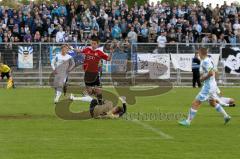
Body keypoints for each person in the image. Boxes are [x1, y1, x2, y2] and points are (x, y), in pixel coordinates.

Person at [178, 48, 231, 126]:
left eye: (198, 53)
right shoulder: (210, 60)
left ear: (201, 53)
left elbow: (211, 73)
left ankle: (187, 121)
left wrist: (202, 79)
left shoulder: (205, 61)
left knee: (196, 102)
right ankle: (226, 116)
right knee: (212, 103)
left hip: (208, 86)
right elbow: (215, 71)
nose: (197, 54)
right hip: (212, 85)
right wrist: (214, 82)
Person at [76, 37, 113, 105]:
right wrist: (74, 49)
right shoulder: (86, 50)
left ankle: (100, 103)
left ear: (97, 45)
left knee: (99, 91)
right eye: (92, 43)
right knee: (89, 92)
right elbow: (79, 51)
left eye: (94, 44)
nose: (93, 45)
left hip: (95, 74)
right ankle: (91, 94)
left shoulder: (99, 53)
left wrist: (111, 53)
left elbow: (108, 59)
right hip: (87, 74)